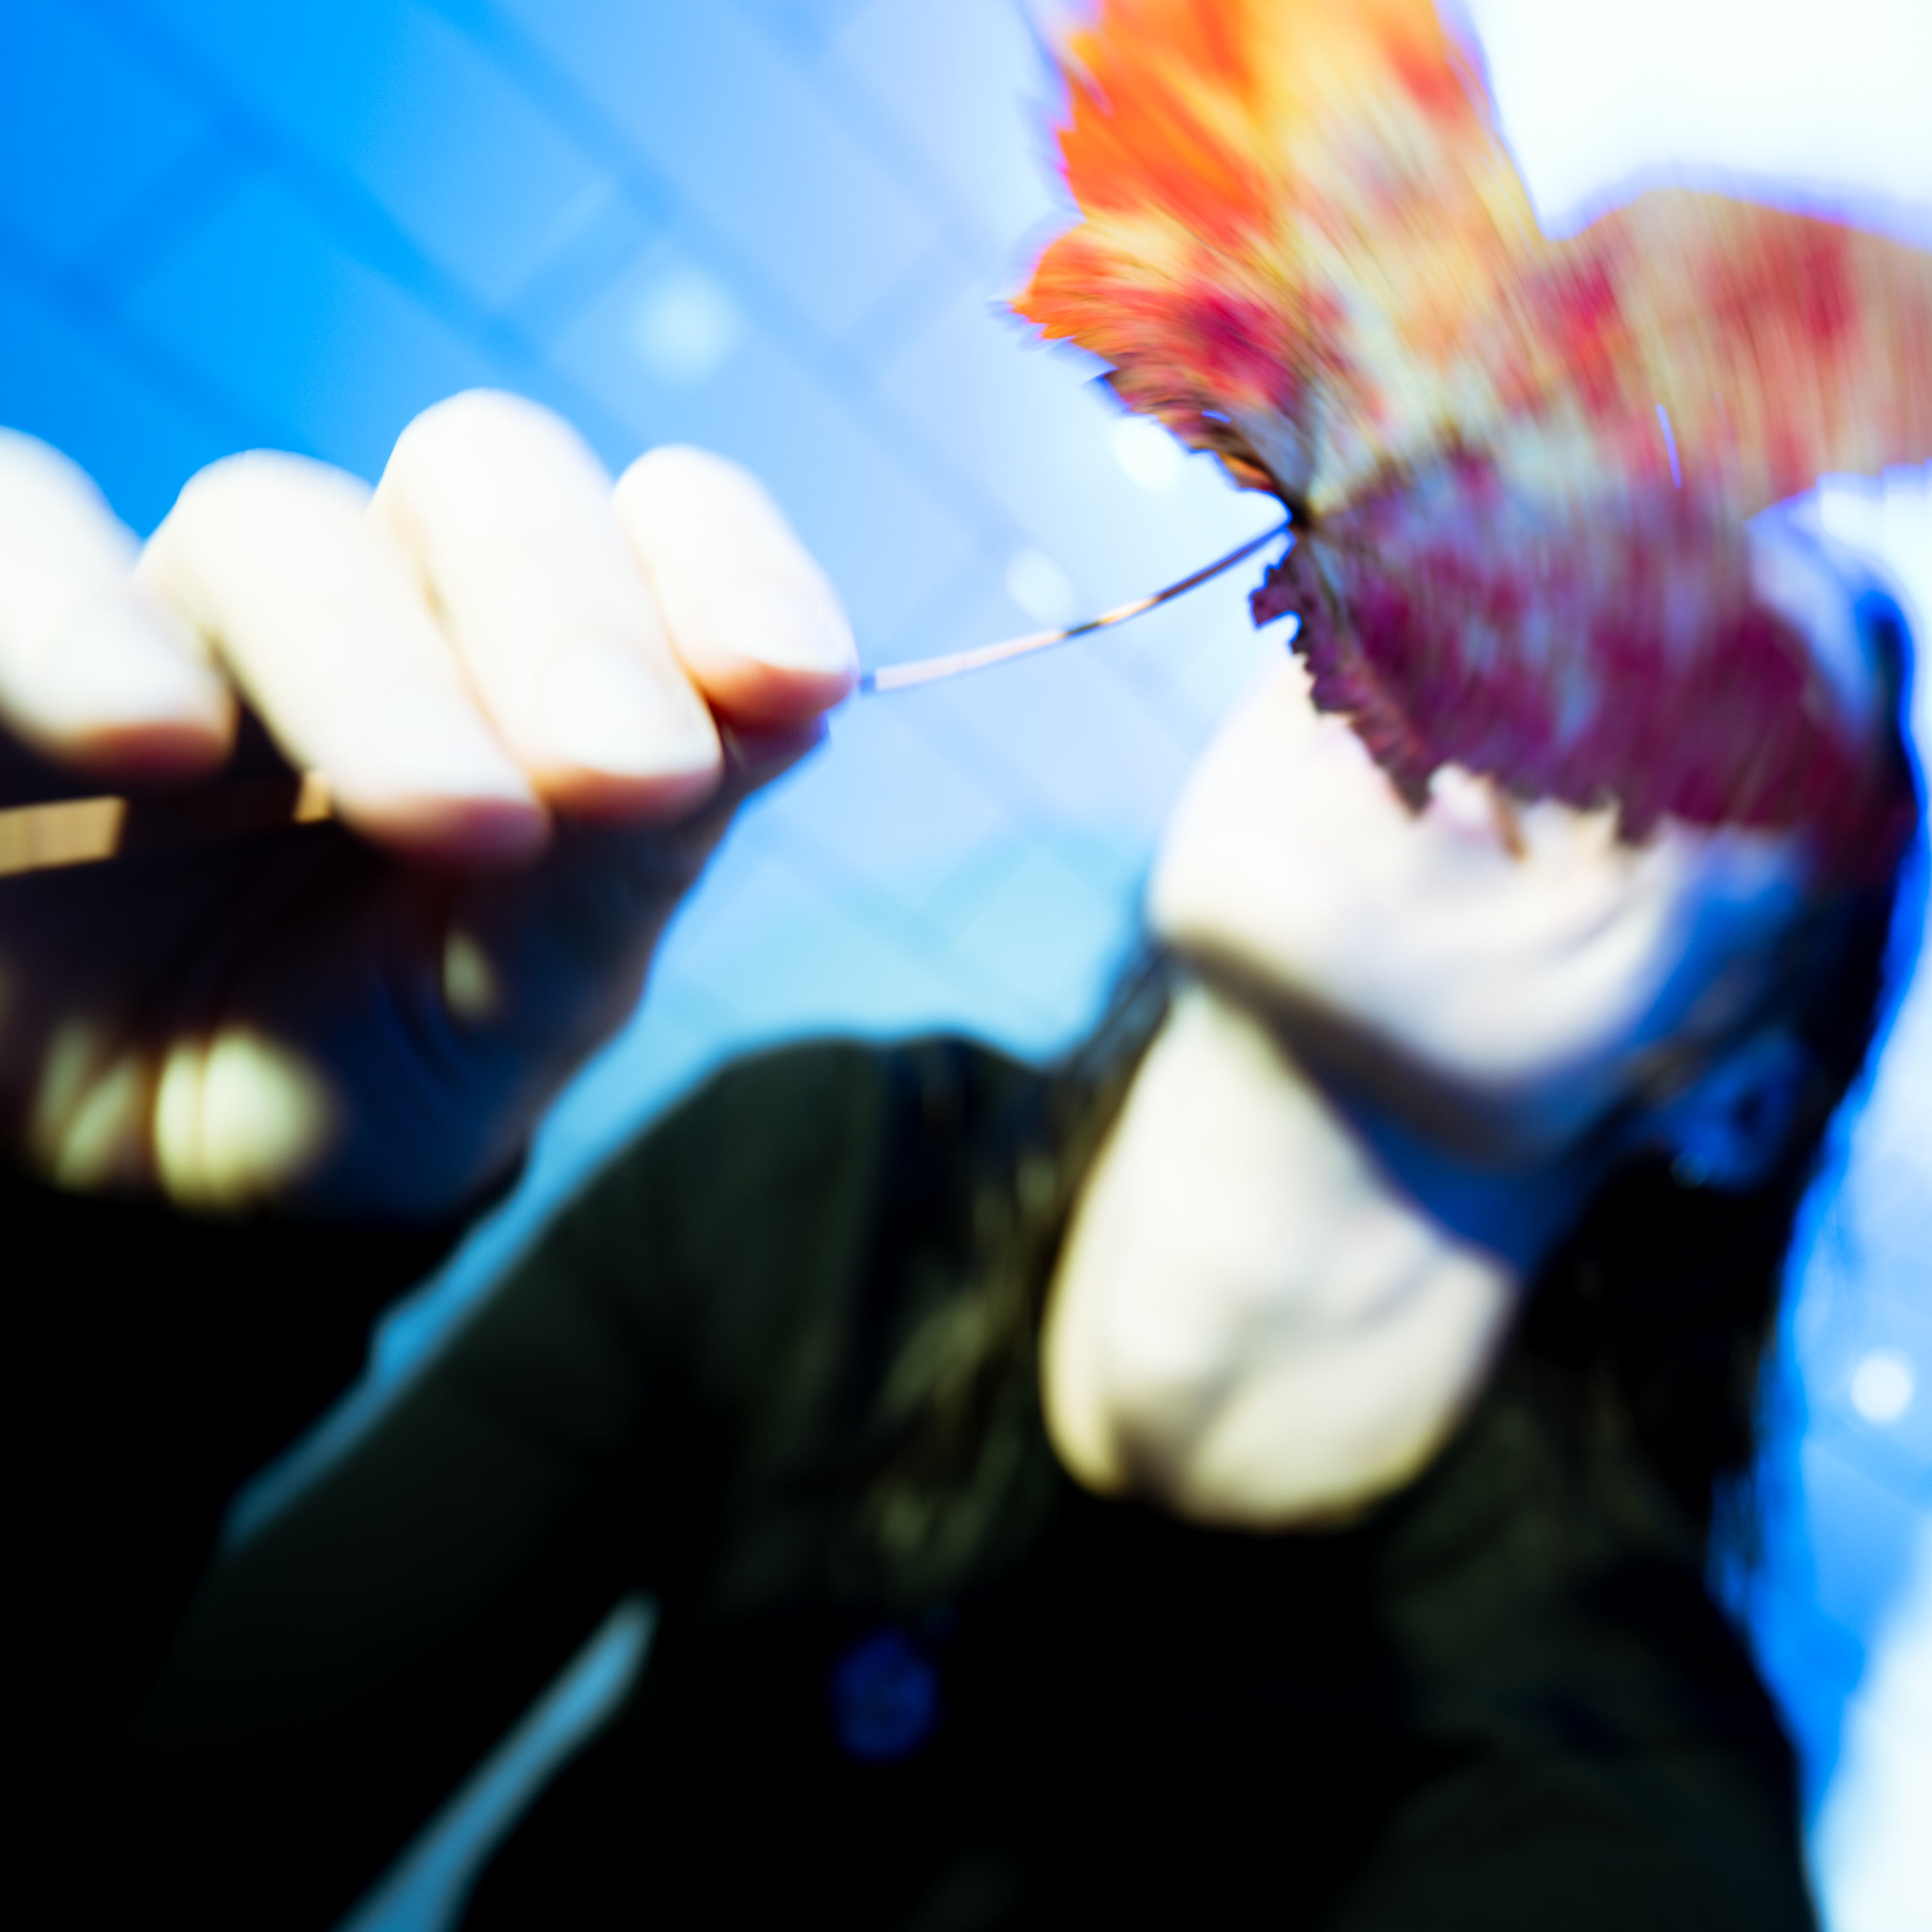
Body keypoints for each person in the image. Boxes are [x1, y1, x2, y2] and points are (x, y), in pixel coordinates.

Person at [4, 7, 1926, 1930]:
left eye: (1719, 698)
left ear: (1748, 1093)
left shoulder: (1621, 1837)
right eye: (1519, 544)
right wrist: (130, 1275)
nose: (1553, 666)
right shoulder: (822, 1177)